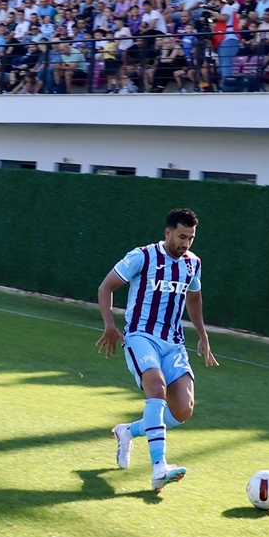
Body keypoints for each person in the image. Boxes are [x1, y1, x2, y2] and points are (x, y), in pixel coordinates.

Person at [95, 208, 219, 494]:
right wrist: (110, 325)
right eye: (181, 236)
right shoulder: (143, 256)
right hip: (141, 337)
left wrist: (203, 336)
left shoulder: (193, 264)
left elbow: (195, 298)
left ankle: (127, 431)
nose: (185, 243)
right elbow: (106, 287)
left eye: (190, 238)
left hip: (173, 344)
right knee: (156, 387)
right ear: (168, 233)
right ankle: (159, 467)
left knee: (183, 410)